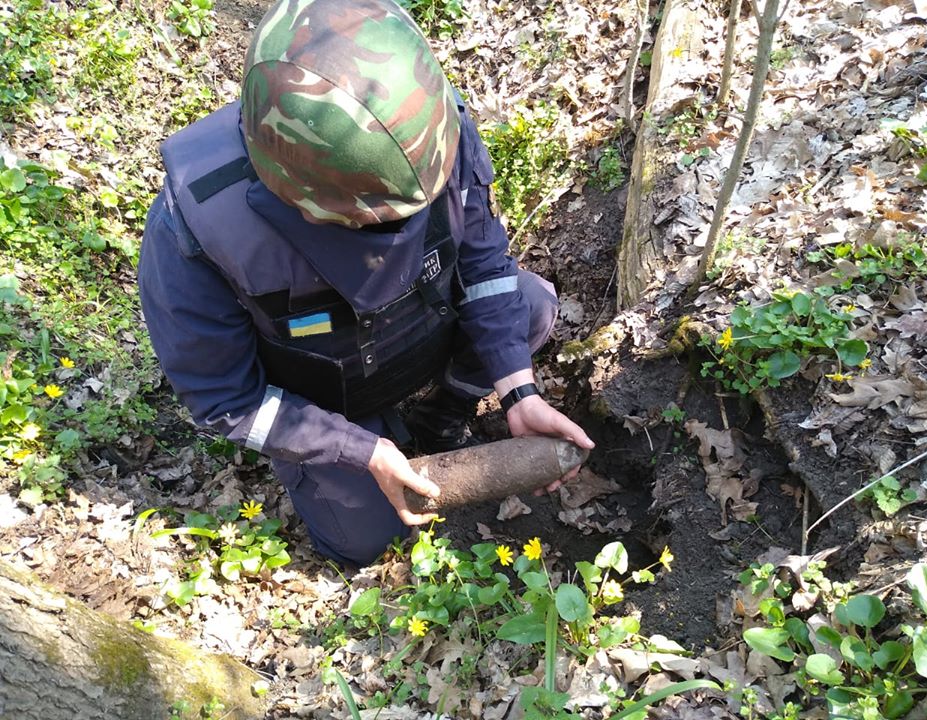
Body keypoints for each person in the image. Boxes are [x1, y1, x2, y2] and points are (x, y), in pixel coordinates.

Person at [138, 0, 594, 566]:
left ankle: (439, 414)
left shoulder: (435, 134)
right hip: (324, 396)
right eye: (379, 218)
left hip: (419, 333)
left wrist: (518, 391)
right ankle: (378, 439)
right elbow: (225, 399)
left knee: (530, 305)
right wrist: (359, 449)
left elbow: (484, 264)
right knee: (368, 541)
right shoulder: (201, 233)